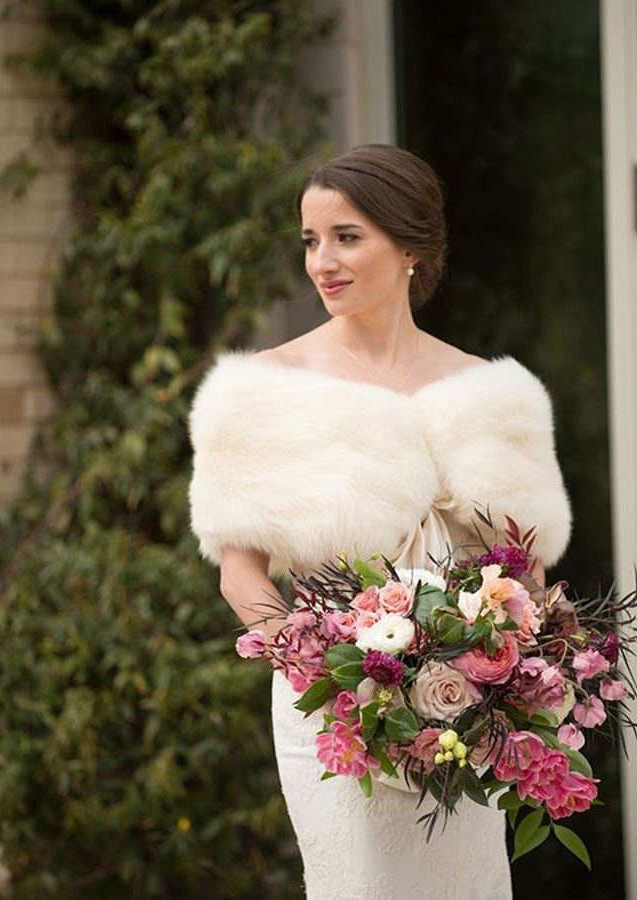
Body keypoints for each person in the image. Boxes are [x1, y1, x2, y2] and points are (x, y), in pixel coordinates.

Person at [187, 144, 572, 899]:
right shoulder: (262, 389)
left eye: (347, 237)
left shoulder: (495, 394)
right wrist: (345, 680)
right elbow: (242, 577)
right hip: (335, 720)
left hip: (464, 713)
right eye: (310, 241)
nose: (322, 262)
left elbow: (525, 580)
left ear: (411, 249)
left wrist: (490, 677)